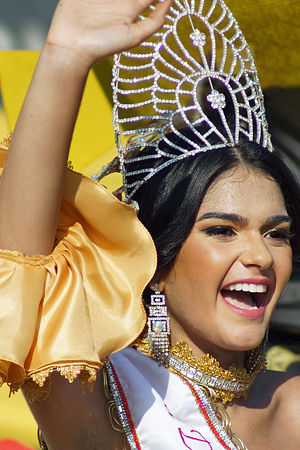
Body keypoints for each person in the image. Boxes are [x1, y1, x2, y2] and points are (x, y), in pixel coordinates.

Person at [1, 0, 300, 449]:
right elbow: (19, 270)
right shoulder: (108, 394)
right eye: (222, 230)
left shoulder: (290, 407)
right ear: (155, 260)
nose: (260, 255)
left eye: (276, 233)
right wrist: (65, 58)